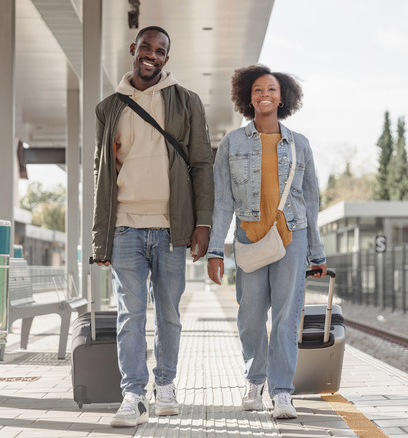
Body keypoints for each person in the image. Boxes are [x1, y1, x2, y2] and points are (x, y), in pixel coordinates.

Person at [90, 25, 214, 427]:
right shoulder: (109, 107)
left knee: (169, 315)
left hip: (171, 227)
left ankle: (165, 385)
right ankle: (132, 395)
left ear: (166, 58)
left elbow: (201, 164)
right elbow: (102, 170)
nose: (152, 55)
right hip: (125, 226)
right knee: (130, 315)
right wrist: (100, 238)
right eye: (146, 47)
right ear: (134, 49)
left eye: (161, 50)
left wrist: (203, 224)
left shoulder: (186, 101)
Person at [206, 64, 326, 419]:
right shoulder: (232, 143)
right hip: (250, 238)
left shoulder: (299, 143)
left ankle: (282, 392)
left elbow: (311, 199)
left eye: (271, 90)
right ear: (248, 97)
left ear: (282, 97)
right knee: (250, 316)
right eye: (258, 90)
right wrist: (216, 250)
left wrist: (316, 252)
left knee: (287, 318)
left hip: (293, 237)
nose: (264, 96)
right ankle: (254, 381)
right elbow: (223, 201)